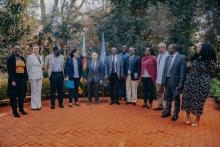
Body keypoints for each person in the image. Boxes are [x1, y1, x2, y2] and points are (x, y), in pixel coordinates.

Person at [182, 43, 219, 127]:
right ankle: (188, 117)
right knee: (187, 98)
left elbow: (213, 72)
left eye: (199, 47)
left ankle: (197, 120)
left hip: (202, 82)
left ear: (205, 49)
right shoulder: (194, 58)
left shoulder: (210, 60)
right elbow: (188, 68)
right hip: (191, 80)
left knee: (199, 101)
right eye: (197, 47)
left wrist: (204, 77)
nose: (197, 48)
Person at [161, 44, 187, 121]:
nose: (168, 50)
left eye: (169, 48)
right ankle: (167, 111)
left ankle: (175, 114)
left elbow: (183, 72)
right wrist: (163, 80)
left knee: (176, 98)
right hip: (167, 80)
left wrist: (181, 84)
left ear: (174, 49)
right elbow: (165, 71)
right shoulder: (167, 58)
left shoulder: (182, 57)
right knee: (168, 97)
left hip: (176, 82)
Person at [7, 43, 28, 117]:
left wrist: (26, 78)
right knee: (14, 96)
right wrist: (12, 80)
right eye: (16, 48)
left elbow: (25, 69)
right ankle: (15, 111)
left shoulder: (22, 58)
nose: (17, 50)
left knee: (21, 95)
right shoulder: (10, 58)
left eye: (19, 48)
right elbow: (10, 71)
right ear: (13, 49)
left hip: (22, 79)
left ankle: (21, 109)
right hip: (15, 79)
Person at [27, 43, 44, 111]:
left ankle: (38, 105)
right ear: (32, 50)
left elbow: (42, 66)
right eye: (35, 49)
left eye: (37, 49)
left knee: (39, 90)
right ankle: (33, 106)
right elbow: (28, 67)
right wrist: (30, 76)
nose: (36, 50)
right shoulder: (30, 57)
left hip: (40, 75)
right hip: (33, 76)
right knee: (34, 91)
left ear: (39, 49)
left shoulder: (41, 56)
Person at [154, 43, 169, 111]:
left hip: (166, 78)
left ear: (163, 48)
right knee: (159, 92)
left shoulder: (168, 55)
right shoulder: (159, 55)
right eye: (158, 48)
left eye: (159, 48)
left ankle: (167, 108)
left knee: (167, 93)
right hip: (158, 77)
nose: (158, 49)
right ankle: (160, 105)